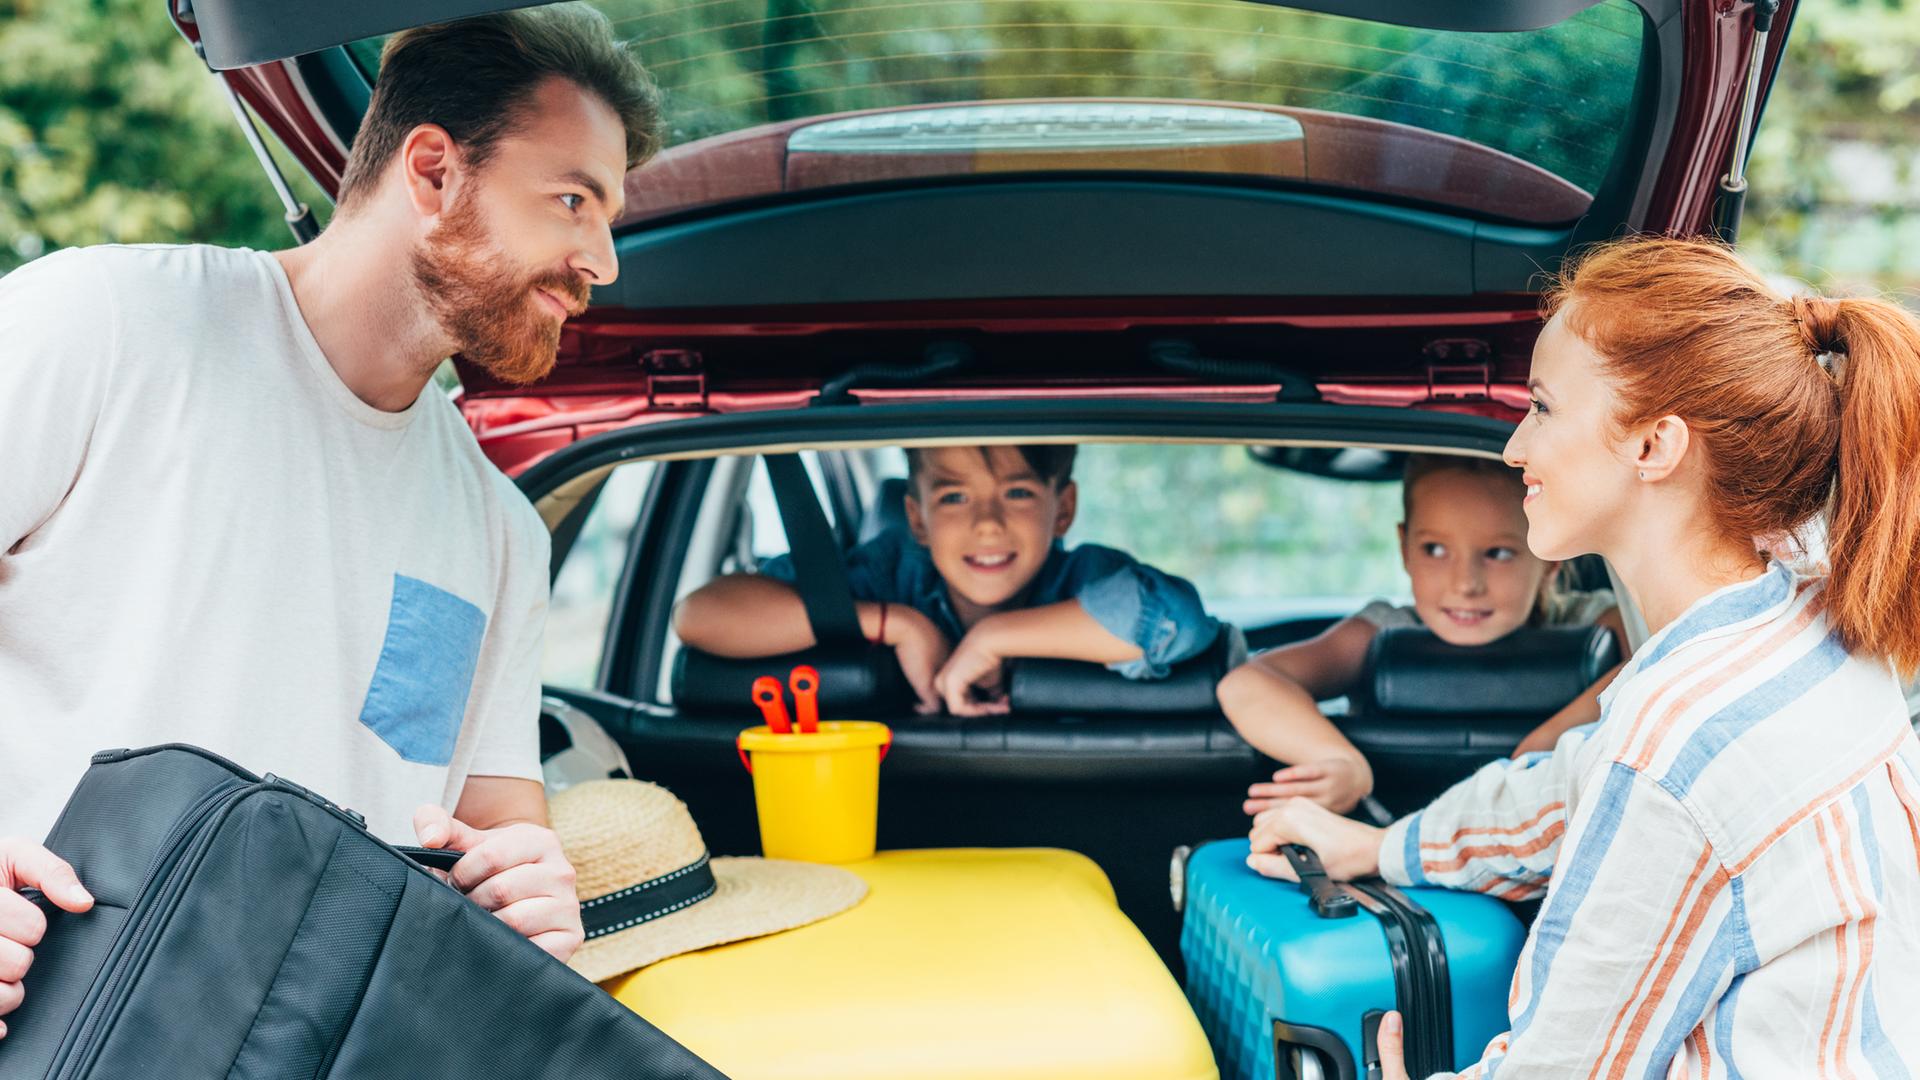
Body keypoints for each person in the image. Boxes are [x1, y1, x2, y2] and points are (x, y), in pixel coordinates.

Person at [0, 6, 659, 1032]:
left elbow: (492, 839)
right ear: (434, 172)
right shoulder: (104, 326)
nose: (603, 260)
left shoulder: (498, 532)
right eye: (573, 200)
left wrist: (529, 895)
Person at [1246, 235, 1920, 1077]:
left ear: (1653, 448)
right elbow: (1577, 784)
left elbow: (1567, 1066)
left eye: (1542, 408)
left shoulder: (1681, 735)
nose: (1514, 448)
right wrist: (1381, 848)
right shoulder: (1801, 612)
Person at [674, 444, 1222, 716]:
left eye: (1018, 493)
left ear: (1063, 509)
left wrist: (994, 638)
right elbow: (700, 615)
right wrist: (896, 623)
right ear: (917, 518)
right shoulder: (885, 575)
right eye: (954, 497)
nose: (987, 523)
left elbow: (1178, 617)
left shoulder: (1084, 579)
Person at [1218, 454, 1627, 815]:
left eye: (1498, 553)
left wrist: (1543, 748)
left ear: (1550, 561)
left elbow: (1658, 663)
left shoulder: (1596, 622)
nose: (1465, 584)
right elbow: (1248, 683)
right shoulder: (1383, 629)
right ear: (1404, 548)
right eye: (1435, 550)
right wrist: (1337, 759)